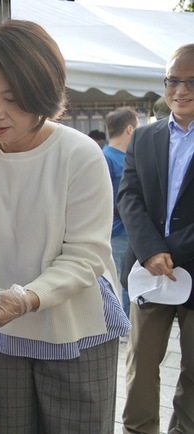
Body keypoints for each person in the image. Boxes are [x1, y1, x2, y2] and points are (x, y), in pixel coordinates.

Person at [0, 20, 129, 433]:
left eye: (12, 99)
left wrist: (24, 298)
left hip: (74, 329)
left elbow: (86, 255)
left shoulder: (80, 155)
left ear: (43, 95)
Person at [118, 43, 194, 434]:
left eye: (191, 81)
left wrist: (171, 251)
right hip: (149, 272)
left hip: (192, 269)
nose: (180, 90)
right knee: (141, 365)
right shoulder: (144, 138)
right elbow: (128, 197)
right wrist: (150, 250)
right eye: (172, 81)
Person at [103, 106, 139, 322]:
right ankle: (121, 324)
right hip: (116, 233)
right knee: (117, 281)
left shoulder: (129, 157)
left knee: (129, 280)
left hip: (131, 232)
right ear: (129, 129)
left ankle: (127, 322)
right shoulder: (105, 158)